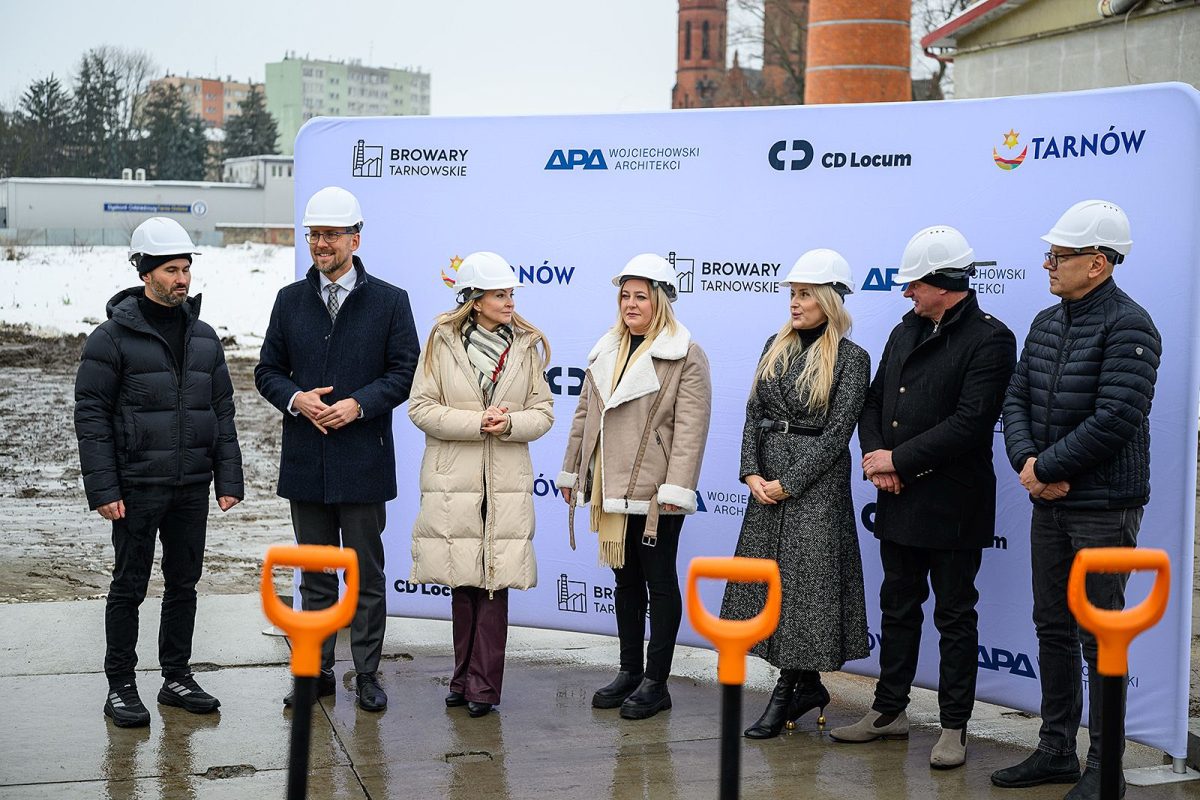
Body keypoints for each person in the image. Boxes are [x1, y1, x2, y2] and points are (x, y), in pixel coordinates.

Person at [991, 200, 1160, 800]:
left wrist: (1047, 468)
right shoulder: (1045, 322)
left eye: (1058, 257)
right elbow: (1015, 400)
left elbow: (1115, 418)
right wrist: (1028, 464)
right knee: (1053, 628)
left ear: (1097, 263)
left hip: (1103, 507)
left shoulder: (1131, 326)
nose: (1048, 265)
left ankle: (1105, 769)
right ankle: (1057, 751)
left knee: (1099, 636)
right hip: (1051, 501)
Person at [830, 225, 1016, 770]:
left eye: (914, 283)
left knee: (954, 616)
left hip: (953, 505)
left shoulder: (991, 338)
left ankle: (954, 726)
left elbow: (970, 423)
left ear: (944, 283)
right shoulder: (905, 328)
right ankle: (889, 711)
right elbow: (873, 402)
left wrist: (899, 461)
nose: (906, 291)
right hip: (897, 497)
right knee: (898, 607)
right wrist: (877, 457)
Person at [255, 186, 420, 712]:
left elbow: (404, 372)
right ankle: (317, 671)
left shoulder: (390, 301)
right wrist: (296, 398)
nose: (321, 244)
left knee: (365, 575)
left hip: (363, 461)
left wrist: (358, 406)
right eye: (314, 235)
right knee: (316, 575)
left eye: (330, 235)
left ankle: (367, 673)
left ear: (355, 238)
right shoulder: (289, 300)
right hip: (307, 463)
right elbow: (266, 371)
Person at [75, 217, 243, 728]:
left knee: (184, 583)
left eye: (186, 268)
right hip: (135, 487)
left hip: (191, 485)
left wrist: (228, 478)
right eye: (171, 270)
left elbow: (222, 410)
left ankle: (176, 676)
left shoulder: (205, 337)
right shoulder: (110, 339)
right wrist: (103, 488)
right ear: (145, 272)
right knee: (129, 585)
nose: (182, 279)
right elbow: (91, 416)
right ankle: (120, 684)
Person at [719, 249, 871, 739]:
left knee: (807, 593)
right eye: (792, 293)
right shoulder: (775, 345)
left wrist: (792, 481)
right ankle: (806, 687)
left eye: (805, 294)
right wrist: (750, 472)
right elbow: (753, 412)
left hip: (815, 489)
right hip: (766, 482)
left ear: (829, 300)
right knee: (773, 587)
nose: (795, 302)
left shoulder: (851, 359)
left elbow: (838, 434)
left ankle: (788, 690)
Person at [556, 253, 712, 721]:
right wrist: (572, 472)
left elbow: (690, 429)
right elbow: (584, 416)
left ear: (661, 300)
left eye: (640, 296)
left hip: (655, 493)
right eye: (625, 295)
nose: (630, 304)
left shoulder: (685, 354)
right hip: (610, 486)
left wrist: (676, 488)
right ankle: (629, 671)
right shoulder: (605, 349)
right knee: (625, 580)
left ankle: (656, 683)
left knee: (659, 582)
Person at [408, 251, 554, 718]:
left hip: (505, 483)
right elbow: (420, 408)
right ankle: (462, 679)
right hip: (455, 481)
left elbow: (544, 412)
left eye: (510, 293)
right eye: (499, 294)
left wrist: (508, 423)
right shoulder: (440, 342)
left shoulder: (527, 346)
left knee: (494, 586)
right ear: (474, 300)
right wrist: (477, 422)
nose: (510, 301)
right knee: (463, 581)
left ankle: (484, 688)